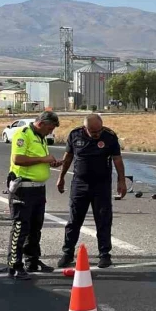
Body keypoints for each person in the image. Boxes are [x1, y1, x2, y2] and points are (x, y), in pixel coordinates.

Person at [56, 114, 127, 269]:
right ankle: (67, 253)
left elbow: (117, 159)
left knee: (103, 220)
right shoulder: (75, 135)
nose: (96, 134)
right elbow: (68, 157)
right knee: (74, 221)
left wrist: (121, 181)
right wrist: (61, 177)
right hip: (79, 185)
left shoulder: (109, 136)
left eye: (98, 131)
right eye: (93, 132)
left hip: (101, 186)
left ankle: (104, 254)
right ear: (85, 128)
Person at [5, 111, 61, 280]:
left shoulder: (41, 137)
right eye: (50, 128)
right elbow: (18, 159)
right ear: (41, 123)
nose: (50, 132)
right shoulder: (23, 134)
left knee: (36, 227)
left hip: (38, 188)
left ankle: (33, 260)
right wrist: (44, 159)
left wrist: (52, 162)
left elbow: (39, 158)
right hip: (24, 188)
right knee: (21, 226)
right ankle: (14, 265)